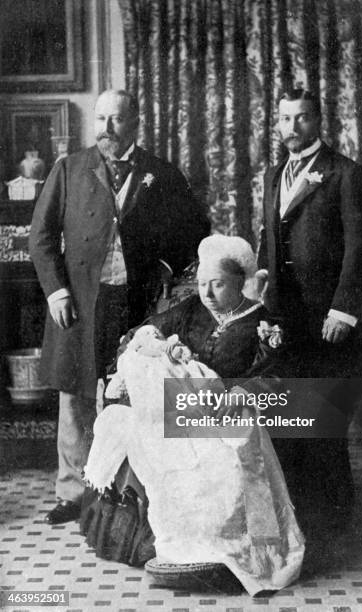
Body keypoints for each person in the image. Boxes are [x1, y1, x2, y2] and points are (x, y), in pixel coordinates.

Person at [80, 235, 304, 595]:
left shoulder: (261, 322)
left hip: (232, 413)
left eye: (218, 284)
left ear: (239, 281)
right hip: (184, 409)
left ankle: (225, 552)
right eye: (202, 284)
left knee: (225, 463)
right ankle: (174, 546)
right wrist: (160, 343)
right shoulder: (190, 310)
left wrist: (241, 392)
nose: (208, 294)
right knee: (142, 432)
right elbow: (141, 334)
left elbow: (278, 375)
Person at [29, 89, 209, 525]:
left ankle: (128, 491)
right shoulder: (68, 170)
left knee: (131, 393)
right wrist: (56, 291)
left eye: (117, 120)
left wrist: (166, 268)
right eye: (101, 119)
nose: (107, 128)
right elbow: (42, 237)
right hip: (78, 301)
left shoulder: (161, 174)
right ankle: (72, 492)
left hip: (136, 304)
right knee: (74, 395)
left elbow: (197, 230)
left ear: (135, 123)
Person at [257, 88, 362, 528]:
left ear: (318, 120)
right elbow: (269, 242)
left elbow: (361, 249)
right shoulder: (274, 175)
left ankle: (334, 516)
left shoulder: (347, 175)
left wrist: (343, 310)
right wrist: (261, 297)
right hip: (284, 319)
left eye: (302, 118)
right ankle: (300, 512)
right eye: (285, 119)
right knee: (290, 413)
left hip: (327, 317)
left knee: (325, 416)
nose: (292, 127)